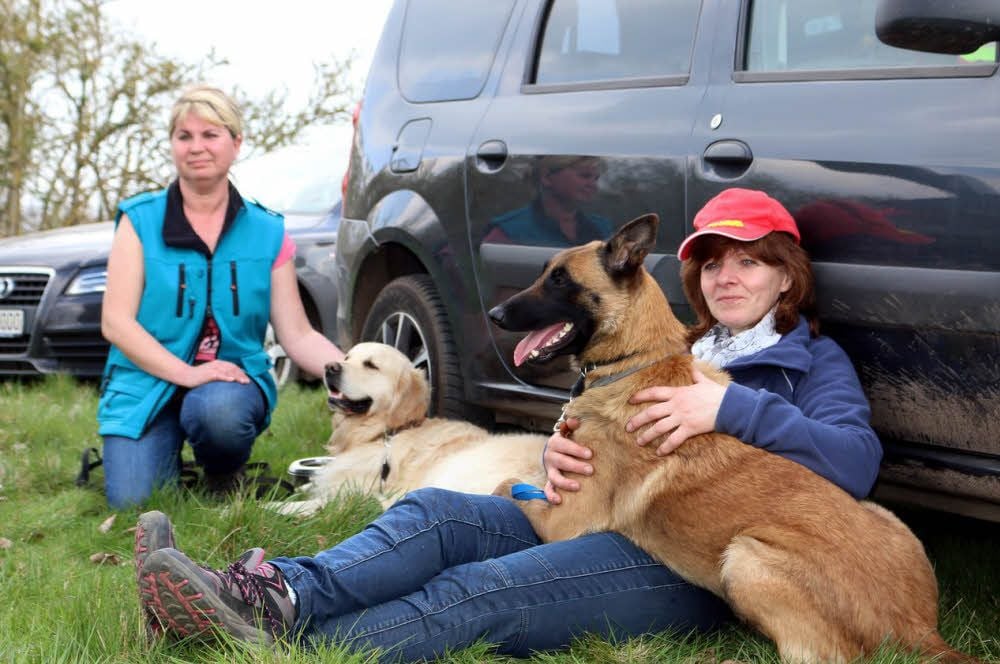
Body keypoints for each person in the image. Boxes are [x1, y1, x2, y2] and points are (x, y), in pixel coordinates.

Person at [133, 188, 882, 660]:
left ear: (785, 275)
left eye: (748, 263)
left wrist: (730, 406)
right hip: (588, 513)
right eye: (712, 263)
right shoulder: (667, 346)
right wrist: (558, 457)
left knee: (480, 590)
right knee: (430, 513)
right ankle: (268, 594)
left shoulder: (811, 364)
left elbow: (853, 465)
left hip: (685, 559)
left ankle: (270, 643)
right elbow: (601, 446)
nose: (726, 277)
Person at [98, 85, 344, 510]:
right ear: (173, 144)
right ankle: (159, 454)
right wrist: (187, 373)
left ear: (236, 142)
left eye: (210, 135)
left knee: (218, 414)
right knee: (134, 502)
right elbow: (115, 322)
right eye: (184, 136)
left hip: (227, 386)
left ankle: (221, 473)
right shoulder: (138, 220)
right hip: (145, 381)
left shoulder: (268, 231)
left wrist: (351, 374)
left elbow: (298, 334)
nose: (196, 148)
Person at [484, 155, 613, 246]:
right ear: (546, 177)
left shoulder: (603, 229)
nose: (593, 184)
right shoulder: (508, 232)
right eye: (584, 176)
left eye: (596, 178)